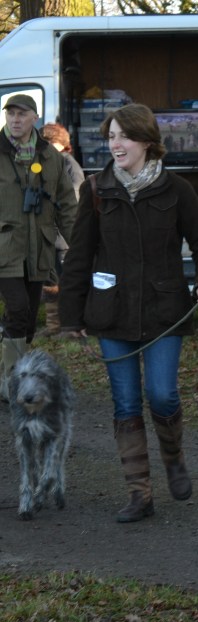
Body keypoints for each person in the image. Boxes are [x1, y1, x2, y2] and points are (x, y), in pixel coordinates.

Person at [59, 103, 198, 524]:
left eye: (123, 137)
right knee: (126, 402)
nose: (115, 144)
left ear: (147, 142)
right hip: (110, 312)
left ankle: (174, 460)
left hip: (164, 309)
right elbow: (79, 256)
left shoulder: (177, 190)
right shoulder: (96, 190)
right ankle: (140, 493)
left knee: (163, 394)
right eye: (110, 137)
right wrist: (71, 316)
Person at [0, 94, 79, 400]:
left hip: (39, 249)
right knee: (17, 309)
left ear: (35, 117)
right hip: (5, 247)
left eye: (22, 114)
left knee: (29, 318)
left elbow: (67, 207)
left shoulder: (51, 156)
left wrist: (80, 247)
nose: (15, 119)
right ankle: (12, 383)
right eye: (11, 114)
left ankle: (13, 373)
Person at [39, 121, 85, 337]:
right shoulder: (46, 163)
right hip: (50, 233)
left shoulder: (68, 163)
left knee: (68, 279)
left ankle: (73, 326)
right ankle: (54, 325)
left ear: (59, 143)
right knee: (53, 280)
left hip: (64, 234)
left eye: (48, 142)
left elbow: (74, 196)